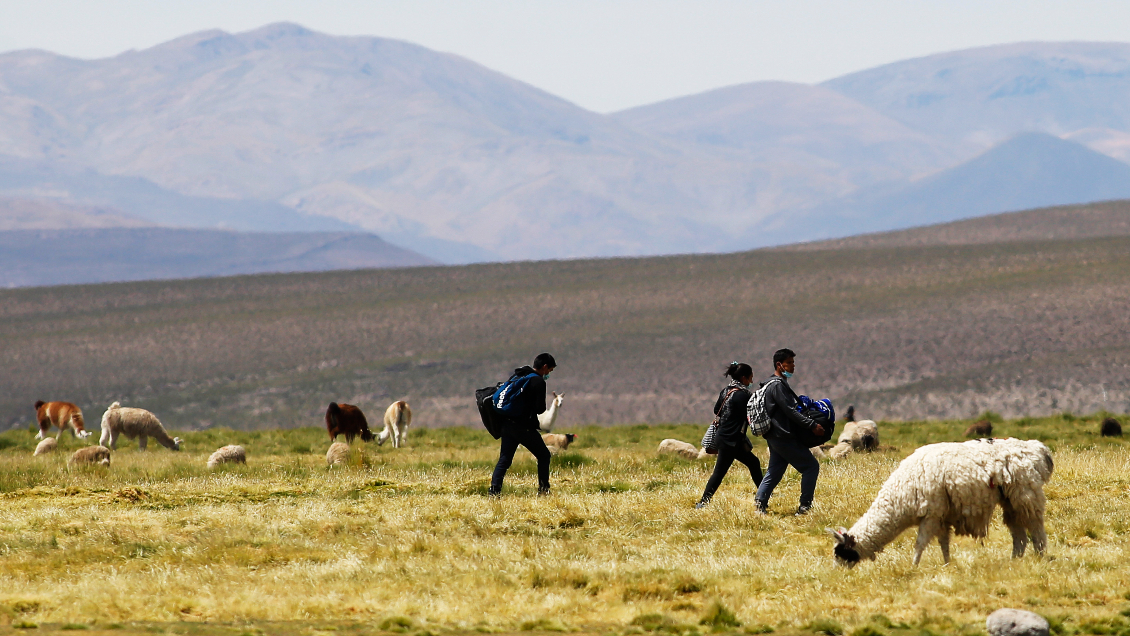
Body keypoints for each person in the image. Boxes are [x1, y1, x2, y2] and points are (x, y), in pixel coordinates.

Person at [753, 348, 824, 515]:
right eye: (789, 363)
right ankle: (805, 507)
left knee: (775, 470)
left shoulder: (772, 383)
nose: (793, 366)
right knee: (811, 466)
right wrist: (812, 425)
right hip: (783, 435)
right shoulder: (777, 385)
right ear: (779, 365)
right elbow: (790, 411)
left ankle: (759, 503)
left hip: (774, 435)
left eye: (793, 362)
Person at [696, 362, 763, 509]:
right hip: (731, 441)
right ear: (744, 378)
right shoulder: (742, 395)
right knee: (720, 472)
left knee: (753, 463)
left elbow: (716, 410)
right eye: (751, 377)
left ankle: (764, 494)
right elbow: (751, 415)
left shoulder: (727, 391)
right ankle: (703, 502)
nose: (752, 381)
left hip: (726, 438)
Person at [489, 352, 556, 496]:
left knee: (505, 459)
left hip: (507, 424)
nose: (549, 373)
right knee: (544, 455)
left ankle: (494, 491)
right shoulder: (538, 381)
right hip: (523, 426)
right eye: (550, 370)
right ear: (544, 367)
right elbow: (540, 409)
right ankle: (543, 490)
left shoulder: (518, 376)